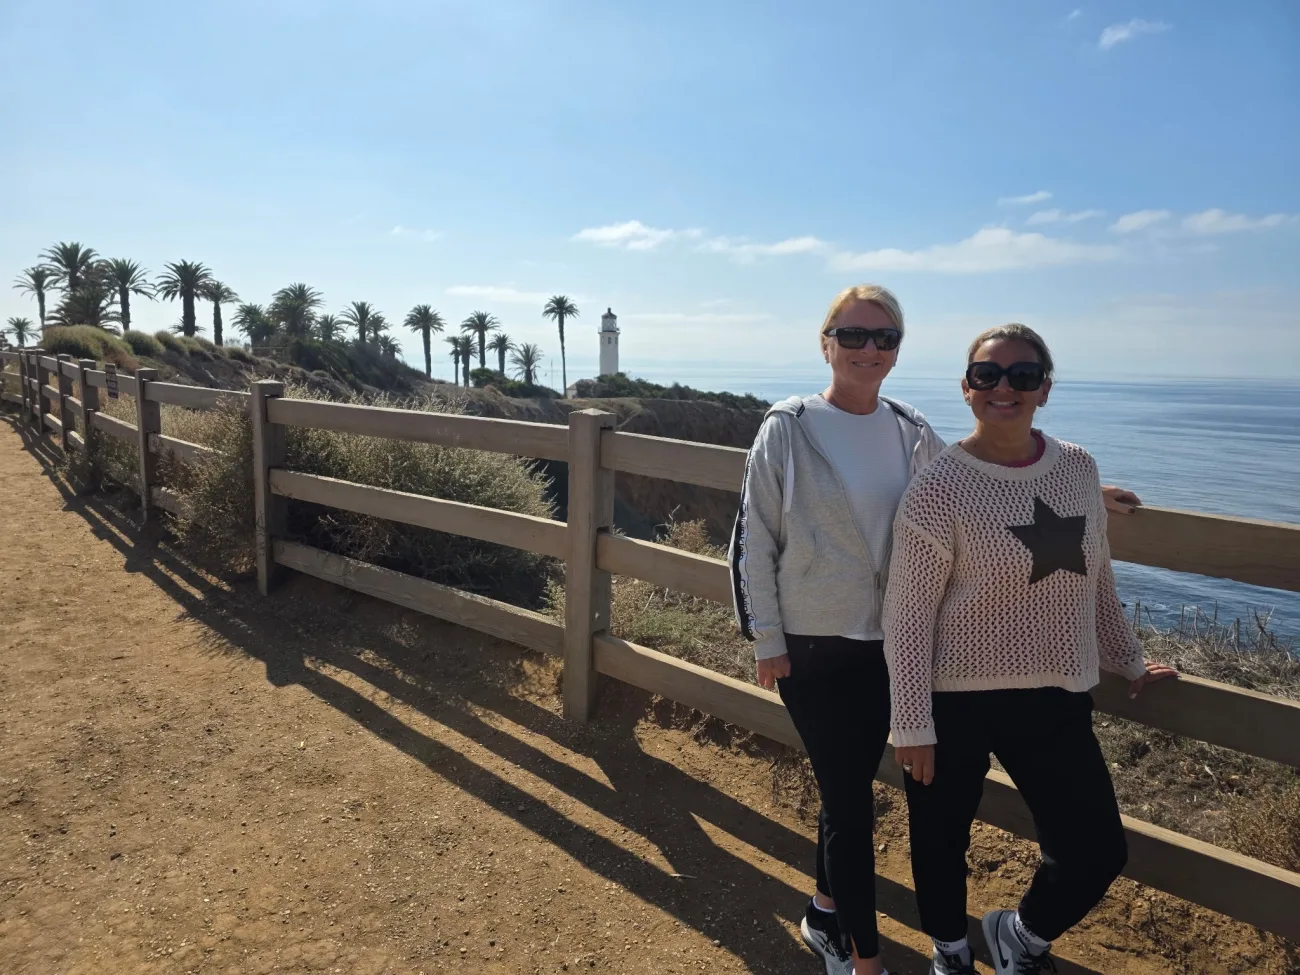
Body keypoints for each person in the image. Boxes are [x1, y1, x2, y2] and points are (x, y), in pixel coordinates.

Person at [729, 289, 1142, 975]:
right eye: (854, 334)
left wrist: (1074, 494)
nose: (870, 348)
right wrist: (765, 636)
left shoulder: (908, 426)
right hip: (818, 643)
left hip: (887, 650)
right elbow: (754, 539)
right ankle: (861, 954)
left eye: (885, 337)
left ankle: (829, 909)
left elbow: (981, 479)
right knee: (849, 800)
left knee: (851, 795)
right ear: (825, 341)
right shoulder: (790, 426)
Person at [883, 324, 1178, 975]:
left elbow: (1096, 577)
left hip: (1054, 692)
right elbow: (905, 617)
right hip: (951, 695)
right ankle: (950, 953)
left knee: (1097, 847)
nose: (1004, 388)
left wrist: (1127, 657)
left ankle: (1019, 934)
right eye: (988, 375)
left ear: (1045, 387)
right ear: (967, 389)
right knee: (939, 837)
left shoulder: (1077, 469)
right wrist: (911, 721)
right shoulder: (938, 487)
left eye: (1022, 374)